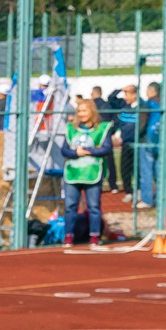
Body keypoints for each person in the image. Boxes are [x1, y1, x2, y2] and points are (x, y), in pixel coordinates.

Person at [59, 93, 114, 243]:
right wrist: (75, 153)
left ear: (92, 111)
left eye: (84, 111)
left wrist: (89, 151)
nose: (81, 114)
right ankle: (69, 236)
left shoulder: (102, 129)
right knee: (70, 206)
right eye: (79, 111)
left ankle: (94, 236)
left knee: (93, 206)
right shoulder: (71, 129)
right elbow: (64, 150)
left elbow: (106, 148)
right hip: (73, 173)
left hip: (92, 172)